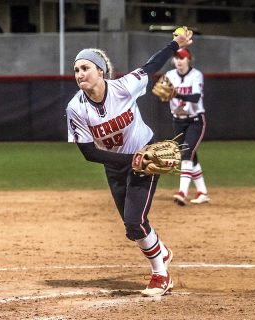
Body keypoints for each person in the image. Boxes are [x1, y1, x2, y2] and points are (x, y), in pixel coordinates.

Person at [66, 29, 193, 297]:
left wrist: (175, 44)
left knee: (135, 221)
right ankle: (162, 250)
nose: (79, 74)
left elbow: (151, 65)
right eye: (76, 69)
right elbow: (89, 152)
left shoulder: (123, 87)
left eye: (85, 68)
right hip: (118, 164)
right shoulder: (76, 108)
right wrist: (129, 161)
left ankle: (161, 275)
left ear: (100, 71)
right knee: (132, 226)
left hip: (145, 157)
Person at [164, 48, 210, 206]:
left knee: (187, 153)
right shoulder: (169, 76)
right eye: (176, 58)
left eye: (182, 58)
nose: (179, 61)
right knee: (191, 156)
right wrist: (163, 95)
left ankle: (182, 192)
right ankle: (202, 192)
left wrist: (175, 94)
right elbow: (163, 94)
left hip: (195, 120)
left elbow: (196, 97)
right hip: (177, 120)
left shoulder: (196, 75)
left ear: (188, 59)